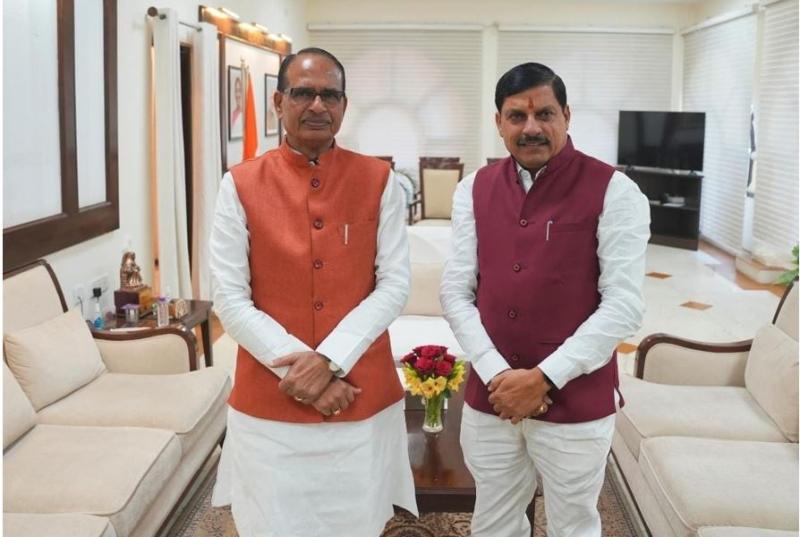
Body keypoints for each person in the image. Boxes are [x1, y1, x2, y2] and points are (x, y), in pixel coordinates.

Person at [210, 47, 418, 537]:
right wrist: (304, 371)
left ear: (344, 105)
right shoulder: (239, 184)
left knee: (359, 521)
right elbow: (230, 299)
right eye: (304, 93)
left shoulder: (380, 180)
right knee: (271, 522)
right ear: (279, 101)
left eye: (331, 95)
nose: (318, 105)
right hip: (271, 402)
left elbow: (393, 285)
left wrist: (330, 361)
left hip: (360, 399)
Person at [440, 62, 650, 537]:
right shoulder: (473, 189)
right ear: (499, 122)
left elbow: (623, 305)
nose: (531, 127)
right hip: (491, 397)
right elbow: (455, 290)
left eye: (545, 114)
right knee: (492, 520)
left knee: (573, 524)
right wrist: (497, 374)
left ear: (567, 116)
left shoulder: (615, 191)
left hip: (576, 400)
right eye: (517, 116)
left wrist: (544, 377)